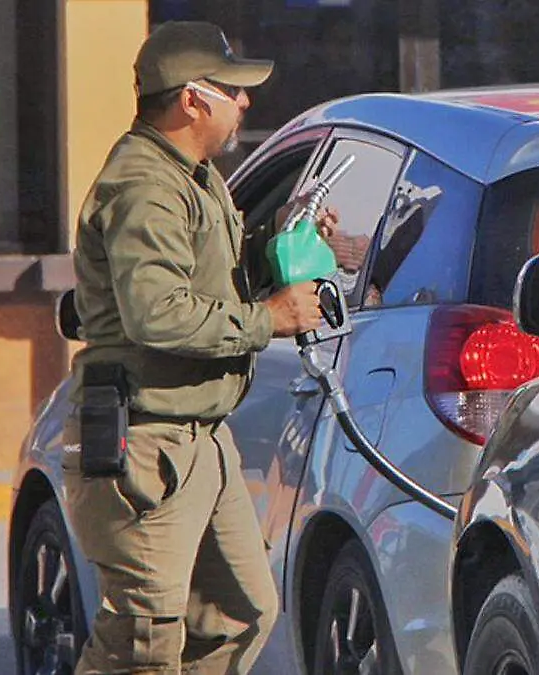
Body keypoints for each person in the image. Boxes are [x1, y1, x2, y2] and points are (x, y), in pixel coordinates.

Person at [63, 21, 328, 674]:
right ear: (190, 99)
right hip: (147, 444)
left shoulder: (195, 176)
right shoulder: (145, 186)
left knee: (239, 612)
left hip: (200, 440)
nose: (246, 103)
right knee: (142, 642)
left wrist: (277, 249)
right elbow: (158, 315)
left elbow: (210, 276)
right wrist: (270, 318)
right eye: (232, 90)